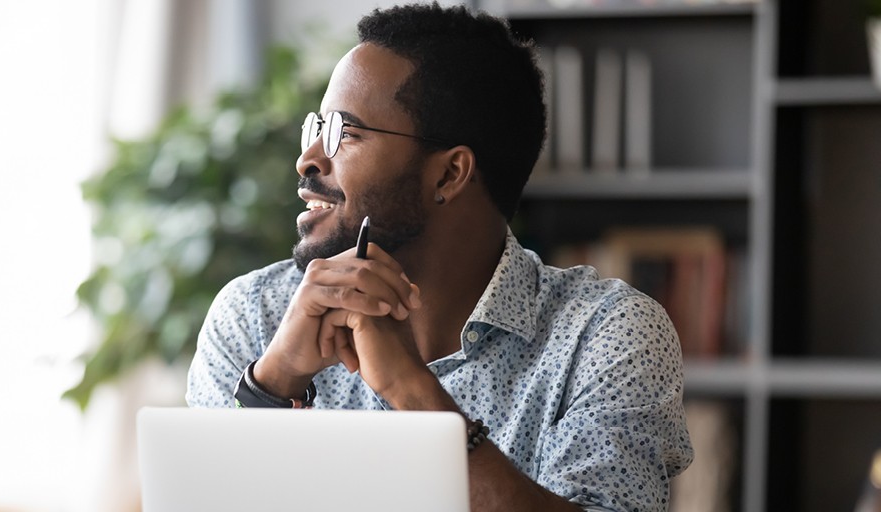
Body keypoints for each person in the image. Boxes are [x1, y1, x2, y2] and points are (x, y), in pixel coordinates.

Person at [186, 2, 693, 510]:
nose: (309, 158)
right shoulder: (255, 316)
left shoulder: (606, 336)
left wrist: (412, 391)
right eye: (316, 128)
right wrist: (270, 387)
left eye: (346, 133)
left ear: (449, 175)